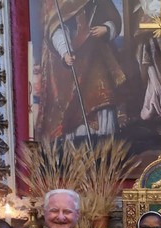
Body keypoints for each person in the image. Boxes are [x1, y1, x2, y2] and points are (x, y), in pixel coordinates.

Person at [35, 0, 126, 140]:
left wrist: (106, 28)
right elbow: (56, 28)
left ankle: (105, 135)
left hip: (97, 56)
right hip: (74, 58)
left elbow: (114, 19)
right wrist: (65, 51)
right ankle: (78, 137)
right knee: (74, 102)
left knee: (103, 91)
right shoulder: (61, 3)